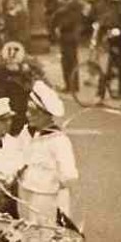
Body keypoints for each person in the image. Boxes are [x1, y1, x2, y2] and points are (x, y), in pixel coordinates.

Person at [17, 84, 79, 228]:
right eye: (28, 110)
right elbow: (18, 153)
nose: (27, 115)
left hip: (45, 194)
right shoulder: (27, 132)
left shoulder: (58, 140)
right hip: (25, 188)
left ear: (45, 114)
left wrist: (73, 195)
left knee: (44, 231)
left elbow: (68, 172)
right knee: (25, 229)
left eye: (33, 112)